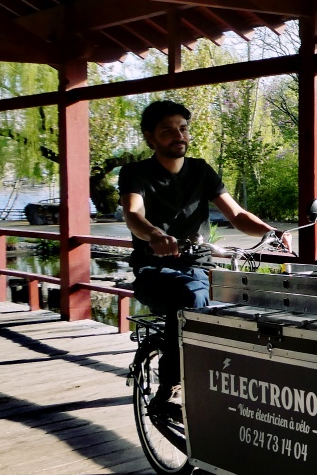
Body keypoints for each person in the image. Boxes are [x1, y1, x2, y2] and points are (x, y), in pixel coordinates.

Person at [120, 100, 289, 412]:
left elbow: (237, 214)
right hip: (154, 271)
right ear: (150, 137)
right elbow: (133, 214)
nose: (178, 135)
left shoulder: (201, 171)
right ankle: (171, 386)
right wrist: (155, 235)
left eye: (183, 129)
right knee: (192, 298)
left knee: (249, 303)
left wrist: (271, 232)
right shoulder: (136, 173)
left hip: (200, 266)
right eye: (168, 130)